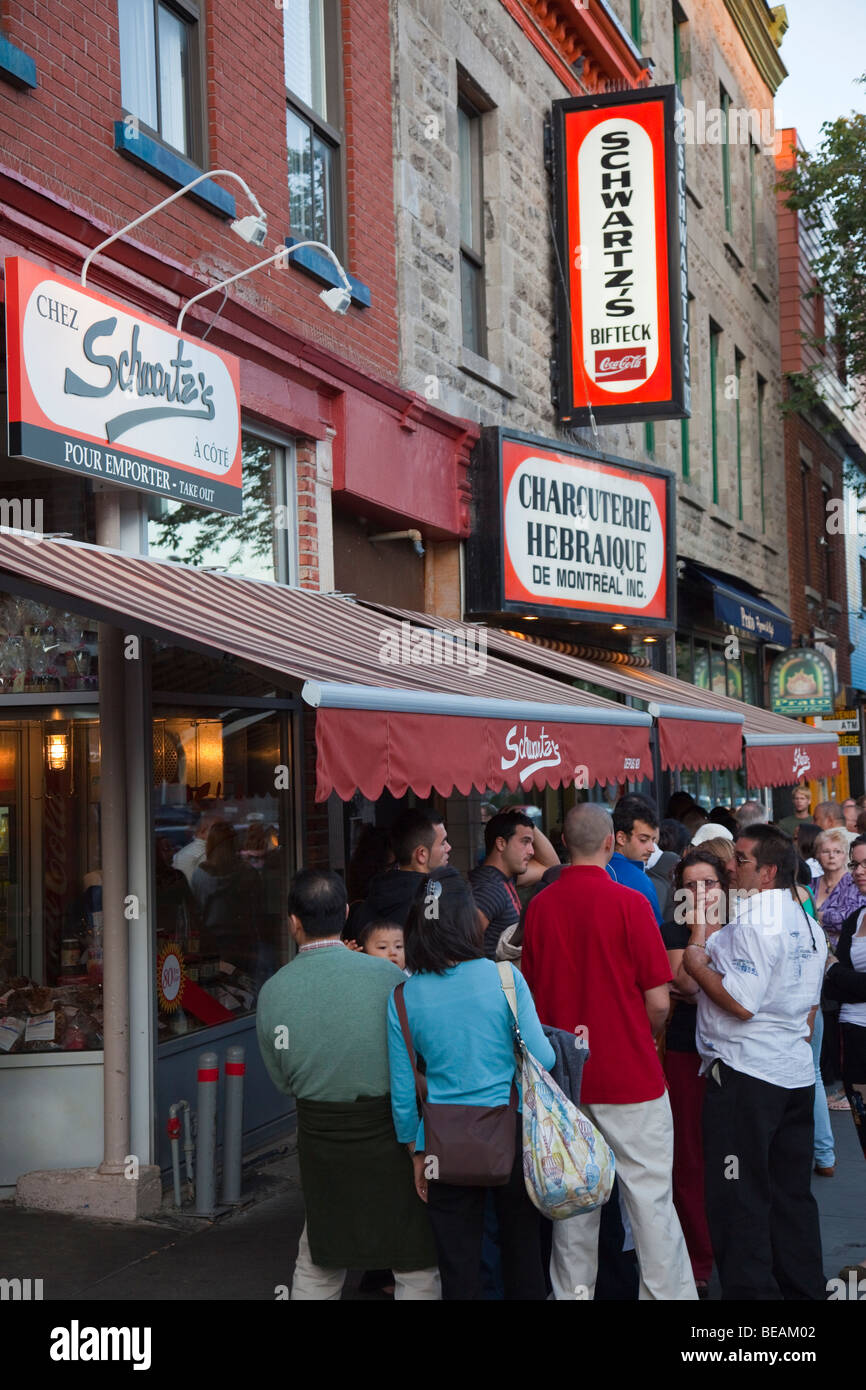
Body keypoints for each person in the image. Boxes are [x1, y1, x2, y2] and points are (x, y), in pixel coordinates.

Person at [522, 803, 696, 1301]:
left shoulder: (540, 907)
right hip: (630, 1073)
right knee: (650, 1202)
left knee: (574, 1209)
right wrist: (643, 1033)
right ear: (609, 844)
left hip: (566, 1081)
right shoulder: (630, 903)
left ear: (563, 840)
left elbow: (531, 995)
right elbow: (659, 1000)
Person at [256, 869, 439, 1300]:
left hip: (321, 1139)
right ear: (344, 913)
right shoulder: (391, 980)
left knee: (320, 1256)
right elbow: (418, 1058)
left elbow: (283, 1080)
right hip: (392, 1136)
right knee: (415, 1260)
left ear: (293, 923)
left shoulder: (273, 992)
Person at [387, 868, 554, 1300]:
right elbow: (547, 1058)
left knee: (458, 1266)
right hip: (511, 1133)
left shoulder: (404, 997)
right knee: (523, 1254)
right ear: (466, 921)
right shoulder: (503, 978)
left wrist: (414, 1151)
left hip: (443, 1144)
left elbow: (404, 1091)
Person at [682, 824, 828, 1301]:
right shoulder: (804, 920)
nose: (731, 866)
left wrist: (696, 962)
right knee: (790, 1196)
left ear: (767, 872)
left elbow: (741, 1003)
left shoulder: (755, 923)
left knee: (739, 1198)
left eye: (740, 860)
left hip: (748, 1074)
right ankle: (800, 1292)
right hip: (790, 1072)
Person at [662, 849, 729, 1296]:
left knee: (734, 1157)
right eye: (691, 885)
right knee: (688, 1157)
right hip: (685, 1055)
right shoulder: (669, 930)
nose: (700, 892)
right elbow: (684, 984)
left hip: (737, 1058)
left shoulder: (745, 930)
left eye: (709, 883)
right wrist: (702, 932)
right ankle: (699, 1261)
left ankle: (736, 1251)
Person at [825, 836, 866, 1285]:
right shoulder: (856, 916)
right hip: (854, 1039)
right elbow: (841, 990)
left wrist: (834, 969)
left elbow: (837, 976)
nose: (858, 871)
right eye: (854, 864)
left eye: (863, 863)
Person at [469, 809, 559, 959]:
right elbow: (461, 944)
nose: (531, 851)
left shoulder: (507, 878)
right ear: (501, 843)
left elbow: (552, 868)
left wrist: (526, 822)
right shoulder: (489, 889)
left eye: (531, 842)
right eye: (525, 842)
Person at [190, 820, 266, 980]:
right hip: (245, 943)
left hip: (213, 944)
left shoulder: (200, 875)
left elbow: (197, 912)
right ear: (234, 844)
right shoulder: (249, 873)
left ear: (210, 844)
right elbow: (259, 910)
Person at [355, 808, 451, 933]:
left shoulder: (372, 896)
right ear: (422, 854)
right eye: (443, 842)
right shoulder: (433, 899)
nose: (449, 847)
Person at [609, 795, 664, 925]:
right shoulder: (638, 880)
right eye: (643, 840)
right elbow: (655, 934)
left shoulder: (599, 867)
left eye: (653, 840)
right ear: (621, 838)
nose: (652, 849)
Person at [812, 827, 862, 949]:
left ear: (845, 856)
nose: (831, 856)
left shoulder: (855, 883)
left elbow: (849, 921)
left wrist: (814, 916)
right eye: (825, 851)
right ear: (817, 855)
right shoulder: (810, 884)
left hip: (841, 953)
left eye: (837, 851)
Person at [172, 807, 222, 886]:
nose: (223, 833)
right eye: (218, 829)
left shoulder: (199, 850)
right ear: (203, 831)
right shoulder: (202, 854)